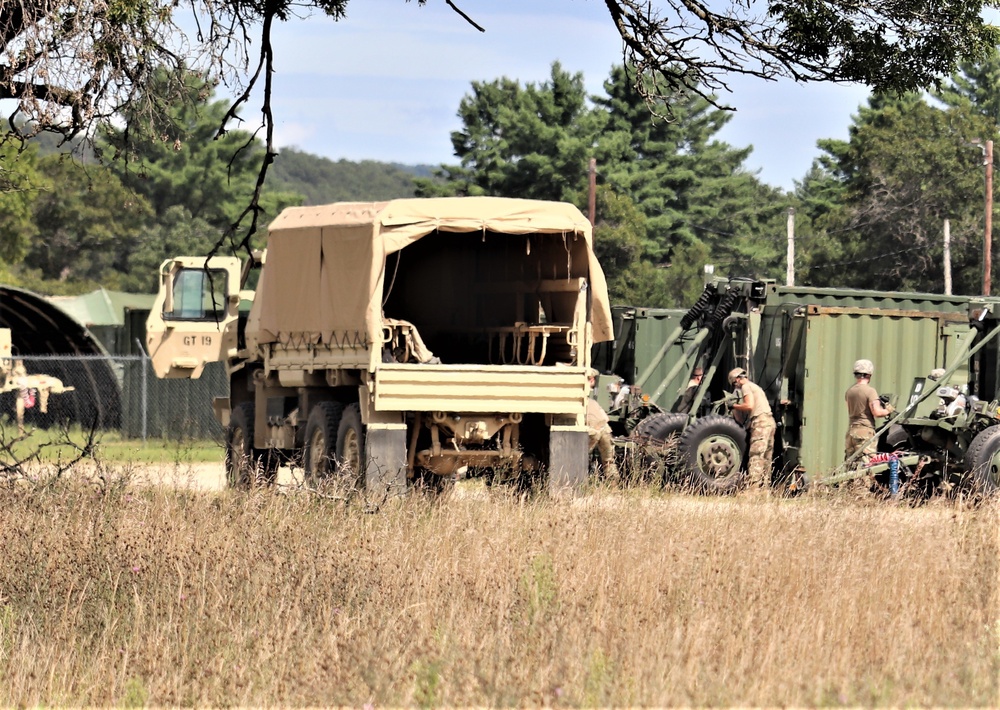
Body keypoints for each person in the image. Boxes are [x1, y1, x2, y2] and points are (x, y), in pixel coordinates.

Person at [728, 367, 775, 491]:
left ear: (738, 379)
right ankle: (764, 488)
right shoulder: (756, 387)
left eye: (734, 384)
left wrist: (733, 405)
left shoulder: (746, 387)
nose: (736, 387)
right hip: (769, 421)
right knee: (766, 457)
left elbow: (749, 406)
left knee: (756, 455)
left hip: (760, 423)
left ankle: (753, 489)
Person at [844, 358, 894, 464]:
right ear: (869, 374)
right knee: (867, 466)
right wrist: (888, 410)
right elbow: (877, 412)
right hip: (865, 433)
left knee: (851, 465)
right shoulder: (870, 391)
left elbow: (849, 408)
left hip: (851, 432)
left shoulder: (849, 391)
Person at [586, 368, 618, 477]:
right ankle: (613, 484)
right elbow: (605, 418)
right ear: (591, 380)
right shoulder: (592, 402)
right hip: (604, 429)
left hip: (593, 431)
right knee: (609, 462)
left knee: (580, 458)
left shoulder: (585, 401)